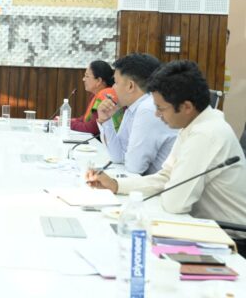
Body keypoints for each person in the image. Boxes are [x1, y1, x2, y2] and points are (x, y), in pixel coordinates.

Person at [86, 60, 246, 233]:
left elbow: (175, 202)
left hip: (230, 236)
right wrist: (116, 184)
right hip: (205, 226)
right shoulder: (193, 125)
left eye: (161, 108)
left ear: (186, 107)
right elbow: (165, 178)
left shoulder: (206, 134)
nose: (157, 114)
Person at [96, 53, 176, 175]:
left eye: (116, 82)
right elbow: (118, 156)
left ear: (130, 86)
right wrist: (106, 120)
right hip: (146, 180)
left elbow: (135, 167)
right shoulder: (134, 107)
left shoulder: (148, 109)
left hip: (161, 185)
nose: (113, 88)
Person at [71, 60, 123, 135]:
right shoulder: (95, 95)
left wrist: (68, 124)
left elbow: (92, 128)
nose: (83, 79)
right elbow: (85, 119)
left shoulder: (106, 96)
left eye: (87, 76)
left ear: (99, 80)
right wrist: (67, 120)